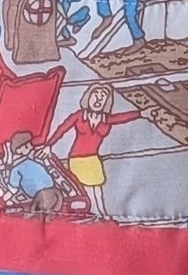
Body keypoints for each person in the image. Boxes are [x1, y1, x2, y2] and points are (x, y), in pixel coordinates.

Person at [50, 80, 140, 219]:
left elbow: (122, 117)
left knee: (97, 188)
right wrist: (49, 145)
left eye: (103, 97)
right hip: (76, 158)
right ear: (88, 97)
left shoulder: (106, 119)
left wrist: (140, 113)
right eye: (96, 95)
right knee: (83, 189)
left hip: (93, 159)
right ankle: (88, 214)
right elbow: (62, 129)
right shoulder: (80, 115)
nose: (99, 99)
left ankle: (101, 213)